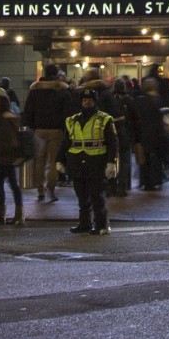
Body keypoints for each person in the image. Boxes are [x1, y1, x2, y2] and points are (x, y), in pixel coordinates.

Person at [62, 85, 120, 235]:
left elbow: (113, 142)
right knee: (81, 196)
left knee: (96, 195)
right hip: (77, 161)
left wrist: (112, 162)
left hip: (96, 161)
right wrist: (59, 159)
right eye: (84, 100)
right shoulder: (72, 120)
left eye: (90, 100)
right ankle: (84, 224)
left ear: (95, 102)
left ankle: (102, 225)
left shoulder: (105, 119)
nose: (86, 102)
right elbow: (66, 142)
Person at [22, 66, 73, 205]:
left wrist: (30, 127)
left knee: (39, 161)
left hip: (39, 130)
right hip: (56, 130)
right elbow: (68, 112)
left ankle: (40, 190)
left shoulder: (35, 91)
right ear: (57, 74)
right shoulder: (62, 90)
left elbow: (28, 111)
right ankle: (51, 189)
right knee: (53, 162)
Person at [0, 92, 27, 225]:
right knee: (6, 184)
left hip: (5, 158)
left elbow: (8, 141)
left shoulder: (4, 119)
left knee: (5, 184)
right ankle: (12, 214)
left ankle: (8, 215)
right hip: (6, 157)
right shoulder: (9, 116)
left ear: (0, 105)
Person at [130, 76, 169, 192]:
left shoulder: (138, 100)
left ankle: (144, 181)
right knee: (155, 158)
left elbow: (134, 117)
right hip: (156, 133)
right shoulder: (158, 100)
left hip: (142, 133)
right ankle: (154, 180)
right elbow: (162, 116)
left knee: (143, 158)